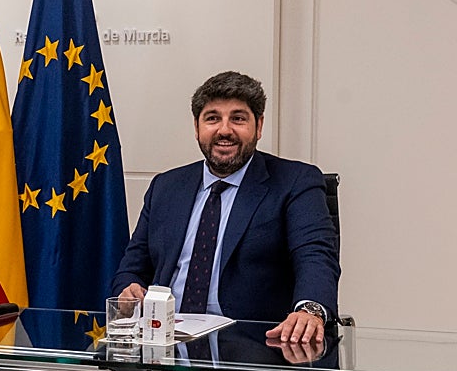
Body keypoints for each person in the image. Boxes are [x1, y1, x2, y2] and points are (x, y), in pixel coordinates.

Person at [113, 70, 340, 345]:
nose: (224, 130)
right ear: (197, 128)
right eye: (212, 118)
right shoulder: (166, 186)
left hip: (254, 345)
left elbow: (315, 255)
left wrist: (310, 310)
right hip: (165, 340)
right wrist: (128, 290)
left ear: (258, 127)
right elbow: (133, 266)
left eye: (238, 118)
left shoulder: (295, 182)